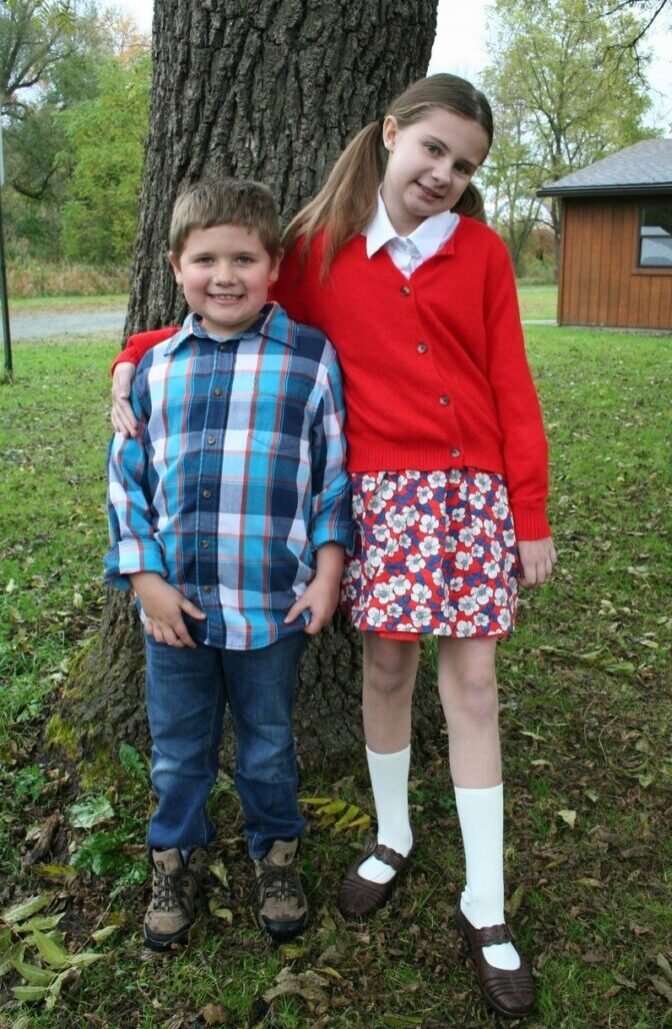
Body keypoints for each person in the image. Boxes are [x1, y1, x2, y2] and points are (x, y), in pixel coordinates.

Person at [110, 75, 555, 1017]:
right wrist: (132, 353)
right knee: (387, 670)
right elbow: (228, 309)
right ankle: (391, 835)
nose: (445, 173)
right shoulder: (321, 252)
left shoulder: (480, 253)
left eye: (465, 164)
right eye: (432, 148)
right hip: (381, 495)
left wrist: (531, 512)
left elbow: (511, 379)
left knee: (471, 684)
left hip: (471, 494)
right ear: (392, 134)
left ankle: (487, 900)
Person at [105, 178, 353, 952]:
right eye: (205, 258)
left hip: (270, 605)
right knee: (179, 748)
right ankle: (173, 857)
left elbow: (334, 475)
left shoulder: (309, 360)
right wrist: (145, 580)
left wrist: (327, 570)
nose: (225, 275)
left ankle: (276, 852)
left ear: (274, 264)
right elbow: (126, 479)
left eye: (243, 257)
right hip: (173, 611)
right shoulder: (153, 370)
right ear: (176, 267)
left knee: (269, 741)